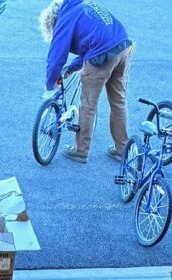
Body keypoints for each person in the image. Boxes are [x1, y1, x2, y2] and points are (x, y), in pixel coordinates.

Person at [39, 0, 131, 163]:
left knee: (88, 105)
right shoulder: (82, 7)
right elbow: (94, 39)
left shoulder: (64, 19)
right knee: (118, 102)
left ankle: (80, 150)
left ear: (53, 22)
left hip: (102, 53)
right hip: (122, 46)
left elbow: (55, 57)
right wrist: (72, 67)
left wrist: (49, 86)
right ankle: (122, 149)